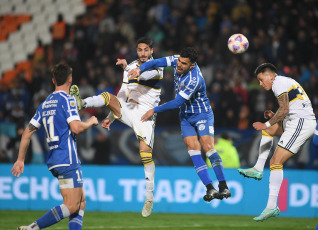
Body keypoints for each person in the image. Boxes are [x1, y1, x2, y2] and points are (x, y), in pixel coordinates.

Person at [70, 37, 163, 217]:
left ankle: (149, 196)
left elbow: (143, 75)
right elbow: (122, 93)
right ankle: (80, 103)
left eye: (146, 50)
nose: (143, 53)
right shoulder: (133, 65)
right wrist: (110, 117)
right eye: (140, 50)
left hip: (146, 116)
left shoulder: (157, 66)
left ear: (152, 51)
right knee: (108, 96)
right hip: (130, 110)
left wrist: (128, 68)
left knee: (145, 155)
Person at [128, 47, 231, 201]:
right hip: (185, 117)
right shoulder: (177, 60)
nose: (179, 65)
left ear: (192, 65)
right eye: (179, 61)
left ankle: (223, 186)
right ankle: (210, 188)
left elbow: (177, 102)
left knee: (207, 147)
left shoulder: (194, 79)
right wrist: (139, 69)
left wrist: (153, 110)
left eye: (184, 63)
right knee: (193, 150)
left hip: (202, 114)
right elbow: (158, 61)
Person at [11, 63, 98, 230]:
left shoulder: (45, 103)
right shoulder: (68, 100)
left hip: (55, 159)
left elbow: (26, 133)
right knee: (72, 205)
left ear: (53, 80)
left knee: (80, 202)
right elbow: (76, 128)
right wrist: (90, 122)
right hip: (67, 158)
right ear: (70, 80)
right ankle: (33, 228)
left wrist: (20, 159)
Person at [237, 63, 316, 222]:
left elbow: (285, 109)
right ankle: (258, 168)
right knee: (269, 131)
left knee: (275, 161)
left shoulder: (278, 83)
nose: (260, 84)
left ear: (270, 75)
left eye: (261, 79)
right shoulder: (284, 82)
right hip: (295, 120)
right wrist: (273, 117)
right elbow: (290, 108)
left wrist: (266, 123)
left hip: (301, 123)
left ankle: (272, 206)